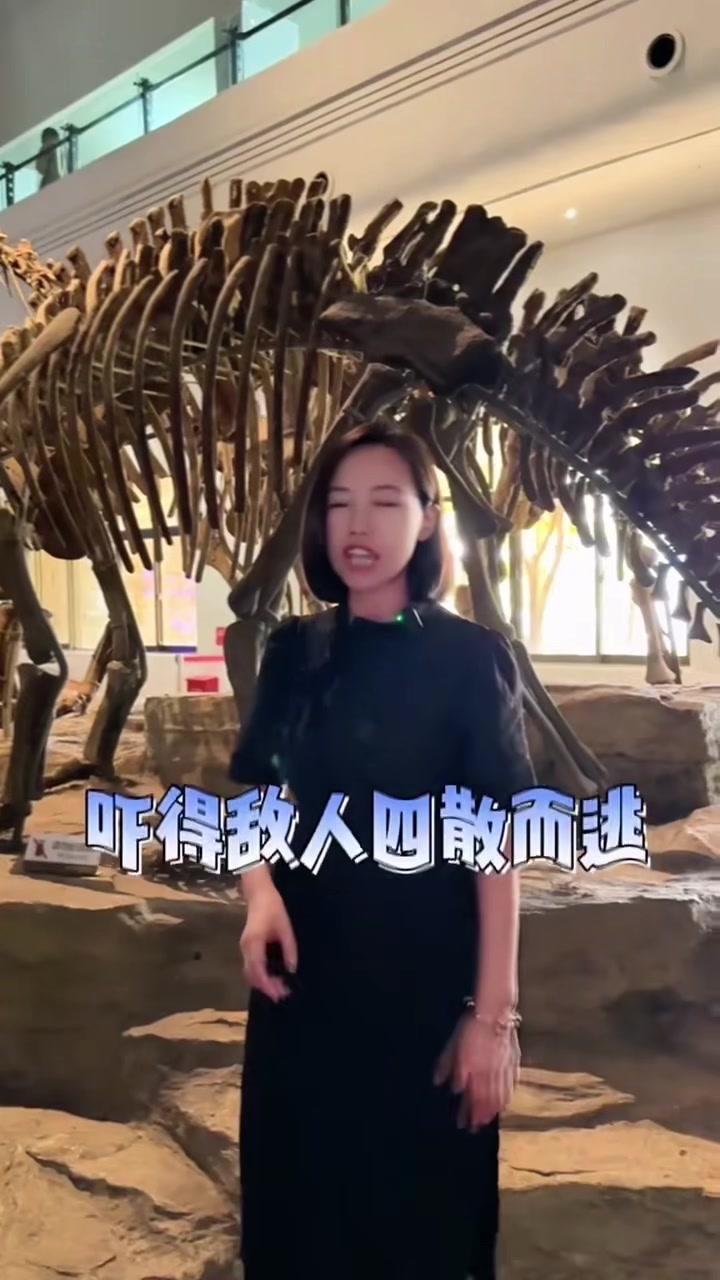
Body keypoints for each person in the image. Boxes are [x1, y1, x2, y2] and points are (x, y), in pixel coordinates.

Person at [229, 418, 537, 1280]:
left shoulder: (472, 659)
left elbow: (495, 847)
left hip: (423, 996)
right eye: (339, 504)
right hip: (302, 990)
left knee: (419, 1233)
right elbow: (255, 791)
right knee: (297, 1230)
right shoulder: (294, 651)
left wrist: (492, 1020)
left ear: (428, 519)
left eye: (384, 502)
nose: (357, 525)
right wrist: (259, 895)